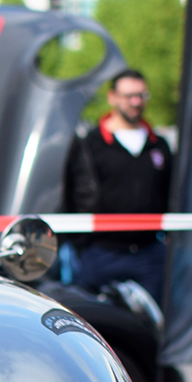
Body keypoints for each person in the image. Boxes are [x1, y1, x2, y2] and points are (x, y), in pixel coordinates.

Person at [62, 68, 173, 304]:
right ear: (112, 97)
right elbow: (73, 194)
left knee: (148, 330)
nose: (135, 102)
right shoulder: (90, 144)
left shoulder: (159, 145)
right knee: (93, 325)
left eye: (141, 96)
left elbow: (170, 194)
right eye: (129, 95)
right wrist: (82, 245)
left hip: (148, 255)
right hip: (100, 254)